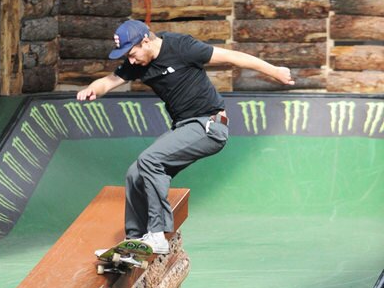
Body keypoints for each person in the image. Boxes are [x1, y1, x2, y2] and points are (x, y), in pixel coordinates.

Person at [77, 20, 294, 254]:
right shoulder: (137, 62)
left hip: (209, 124)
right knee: (135, 173)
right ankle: (134, 242)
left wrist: (275, 72)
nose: (131, 60)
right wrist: (93, 89)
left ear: (146, 41)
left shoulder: (182, 47)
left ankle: (157, 235)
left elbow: (233, 57)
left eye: (132, 53)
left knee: (151, 160)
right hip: (183, 127)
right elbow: (108, 81)